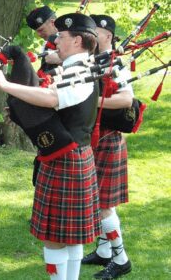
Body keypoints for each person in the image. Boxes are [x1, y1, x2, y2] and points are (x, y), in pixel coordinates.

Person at [0, 13, 102, 280]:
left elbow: (52, 99)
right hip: (71, 155)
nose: (55, 39)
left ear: (78, 40)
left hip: (67, 158)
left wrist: (6, 84)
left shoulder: (80, 69)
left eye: (61, 36)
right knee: (70, 236)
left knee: (55, 237)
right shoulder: (77, 66)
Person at [81, 14, 133, 279]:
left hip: (108, 138)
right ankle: (103, 251)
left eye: (96, 31)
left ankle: (121, 258)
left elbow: (126, 99)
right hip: (93, 137)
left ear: (108, 37)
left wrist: (93, 100)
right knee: (98, 199)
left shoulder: (116, 63)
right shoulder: (93, 61)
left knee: (104, 204)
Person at [27, 5, 62, 72]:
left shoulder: (71, 38)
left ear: (53, 23)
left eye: (41, 30)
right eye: (37, 31)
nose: (39, 34)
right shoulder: (46, 44)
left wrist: (61, 60)